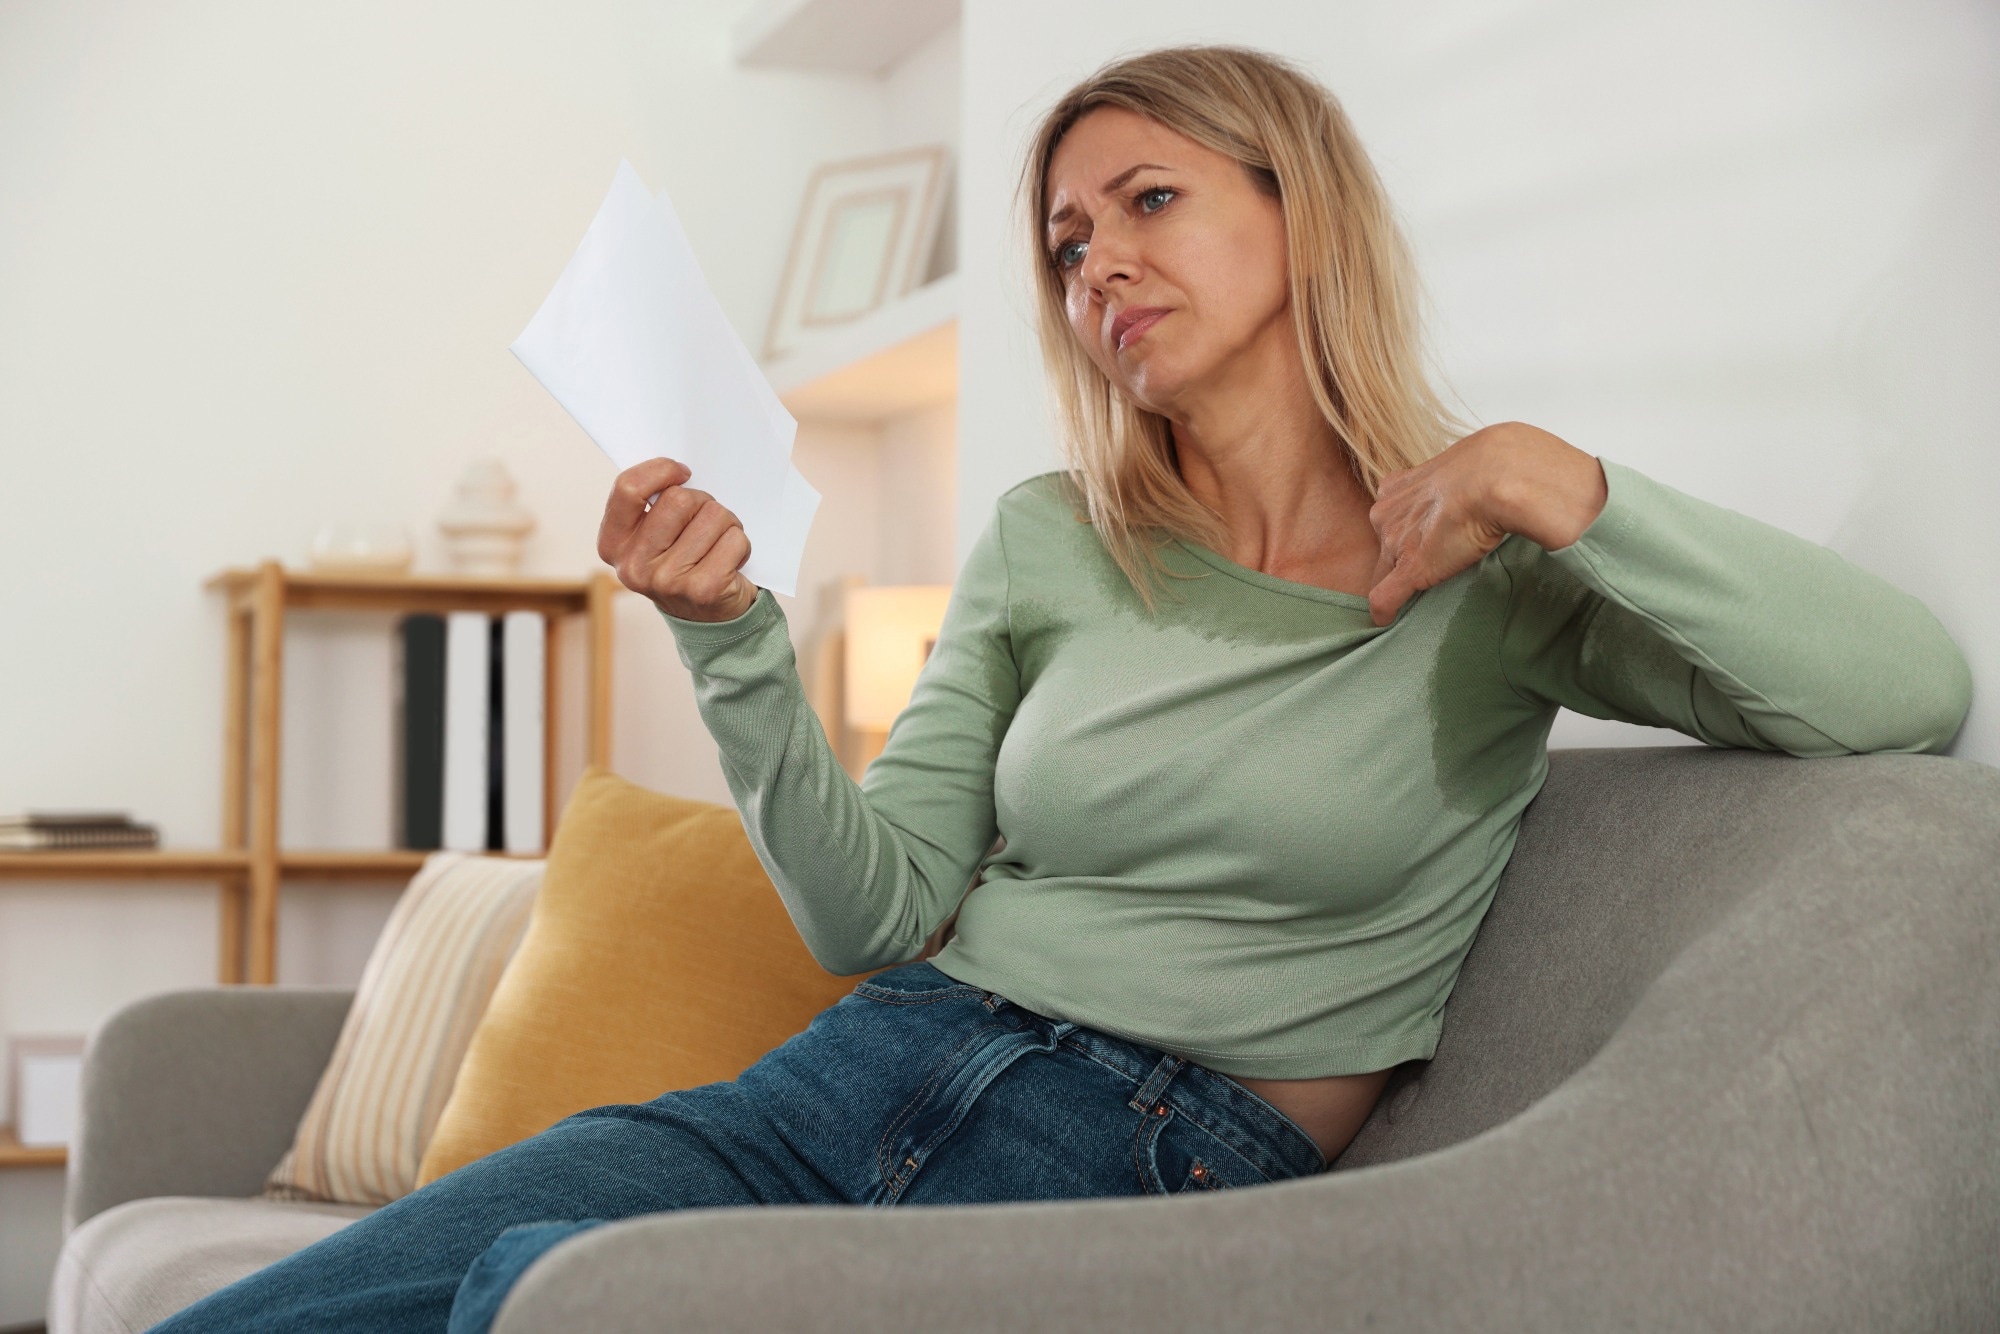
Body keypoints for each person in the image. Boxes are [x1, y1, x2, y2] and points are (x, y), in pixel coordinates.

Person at [145, 43, 1973, 1334]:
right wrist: (733, 637)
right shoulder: (1050, 538)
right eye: (1070, 242)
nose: (1099, 261)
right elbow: (875, 909)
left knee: (535, 1300)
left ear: (1303, 214)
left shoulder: (1494, 572)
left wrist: (1565, 485)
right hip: (850, 1071)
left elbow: (1905, 690)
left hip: (1157, 1154)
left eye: (1148, 199)